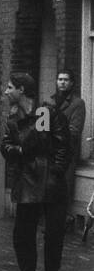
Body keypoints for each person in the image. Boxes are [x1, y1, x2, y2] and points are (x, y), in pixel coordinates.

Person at [1, 72, 70, 271]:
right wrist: (18, 151)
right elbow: (5, 146)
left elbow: (58, 145)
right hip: (27, 182)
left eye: (10, 87)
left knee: (53, 235)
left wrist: (56, 171)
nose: (6, 91)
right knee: (22, 236)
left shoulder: (44, 112)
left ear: (21, 90)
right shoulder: (11, 117)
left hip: (50, 182)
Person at [52, 69, 86, 206]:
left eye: (66, 80)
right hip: (50, 152)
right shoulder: (51, 101)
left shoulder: (78, 103)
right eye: (60, 79)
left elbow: (74, 131)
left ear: (71, 83)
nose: (62, 82)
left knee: (63, 190)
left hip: (66, 153)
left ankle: (64, 222)